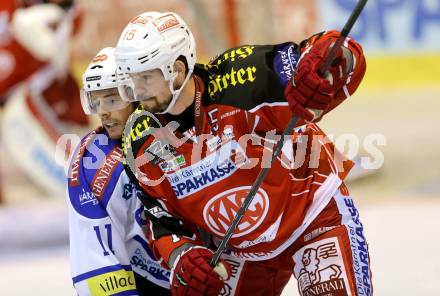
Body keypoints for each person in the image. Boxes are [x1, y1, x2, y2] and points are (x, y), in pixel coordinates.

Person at [114, 11, 372, 296]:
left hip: (313, 216)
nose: (136, 91)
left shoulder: (244, 78)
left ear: (174, 70)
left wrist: (332, 61)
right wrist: (182, 256)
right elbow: (159, 216)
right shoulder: (141, 138)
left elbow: (334, 54)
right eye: (130, 79)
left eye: (145, 78)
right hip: (238, 251)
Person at [66, 47, 170, 296]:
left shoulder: (177, 129)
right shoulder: (92, 161)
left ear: (136, 96)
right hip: (146, 282)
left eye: (112, 99)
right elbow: (96, 258)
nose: (103, 111)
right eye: (95, 100)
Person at [0, 0, 88, 198]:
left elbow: (54, 53)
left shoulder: (54, 13)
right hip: (15, 101)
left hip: (45, 97)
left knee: (77, 165)